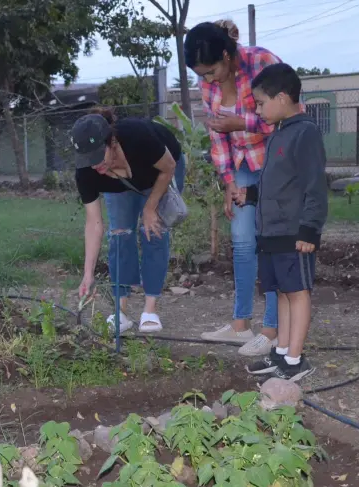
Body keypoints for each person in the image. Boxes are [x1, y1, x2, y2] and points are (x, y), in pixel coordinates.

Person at [184, 20, 283, 356]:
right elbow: (216, 133)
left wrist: (240, 122)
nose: (208, 80)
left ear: (227, 55)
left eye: (211, 71)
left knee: (270, 241)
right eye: (202, 75)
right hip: (241, 166)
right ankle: (241, 325)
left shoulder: (263, 63)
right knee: (242, 242)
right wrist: (227, 182)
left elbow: (290, 114)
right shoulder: (207, 82)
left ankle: (272, 328)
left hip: (273, 162)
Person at [244, 63, 327, 381]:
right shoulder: (279, 134)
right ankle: (281, 355)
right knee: (279, 292)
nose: (259, 110)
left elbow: (314, 184)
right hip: (271, 233)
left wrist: (310, 228)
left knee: (297, 292)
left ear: (281, 98)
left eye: (261, 103)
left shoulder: (304, 133)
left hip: (295, 233)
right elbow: (280, 182)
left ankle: (296, 360)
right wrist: (251, 194)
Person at [73, 108, 186, 334]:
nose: (95, 165)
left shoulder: (138, 136)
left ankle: (150, 309)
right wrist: (88, 273)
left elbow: (168, 167)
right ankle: (121, 311)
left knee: (153, 231)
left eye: (97, 156)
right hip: (120, 187)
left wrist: (150, 208)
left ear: (112, 141)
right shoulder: (87, 172)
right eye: (88, 159)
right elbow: (94, 224)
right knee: (119, 235)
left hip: (160, 171)